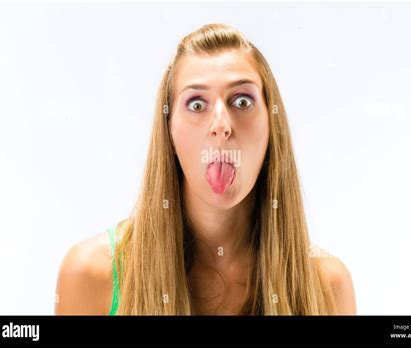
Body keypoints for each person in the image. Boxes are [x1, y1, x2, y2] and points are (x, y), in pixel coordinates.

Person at [55, 23, 356, 315]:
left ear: (271, 127)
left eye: (242, 100)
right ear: (169, 132)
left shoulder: (328, 288)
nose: (221, 126)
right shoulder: (91, 274)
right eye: (197, 105)